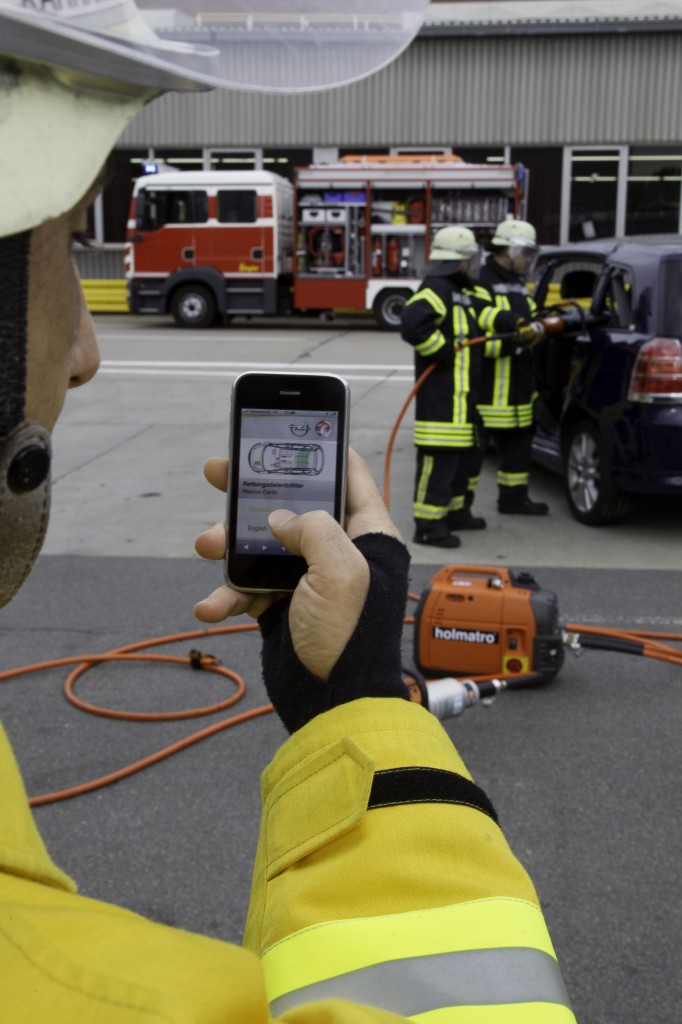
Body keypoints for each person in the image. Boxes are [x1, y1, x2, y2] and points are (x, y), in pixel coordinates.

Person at [0, 5, 576, 1020]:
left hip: (473, 418)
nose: (87, 351)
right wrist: (358, 706)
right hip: (445, 427)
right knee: (435, 493)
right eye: (60, 245)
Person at [399, 226, 488, 549]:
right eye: (469, 260)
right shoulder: (437, 288)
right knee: (438, 464)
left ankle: (455, 513)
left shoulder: (460, 290)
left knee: (462, 461)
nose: (472, 267)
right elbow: (411, 321)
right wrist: (441, 348)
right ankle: (428, 526)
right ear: (458, 261)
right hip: (441, 400)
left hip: (461, 400)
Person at [473, 218, 550, 515]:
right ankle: (458, 511)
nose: (529, 258)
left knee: (519, 450)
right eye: (526, 252)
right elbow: (479, 338)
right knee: (471, 458)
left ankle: (514, 500)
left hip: (519, 389)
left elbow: (530, 319)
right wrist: (518, 341)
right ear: (508, 248)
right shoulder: (481, 281)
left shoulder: (519, 284)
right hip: (489, 392)